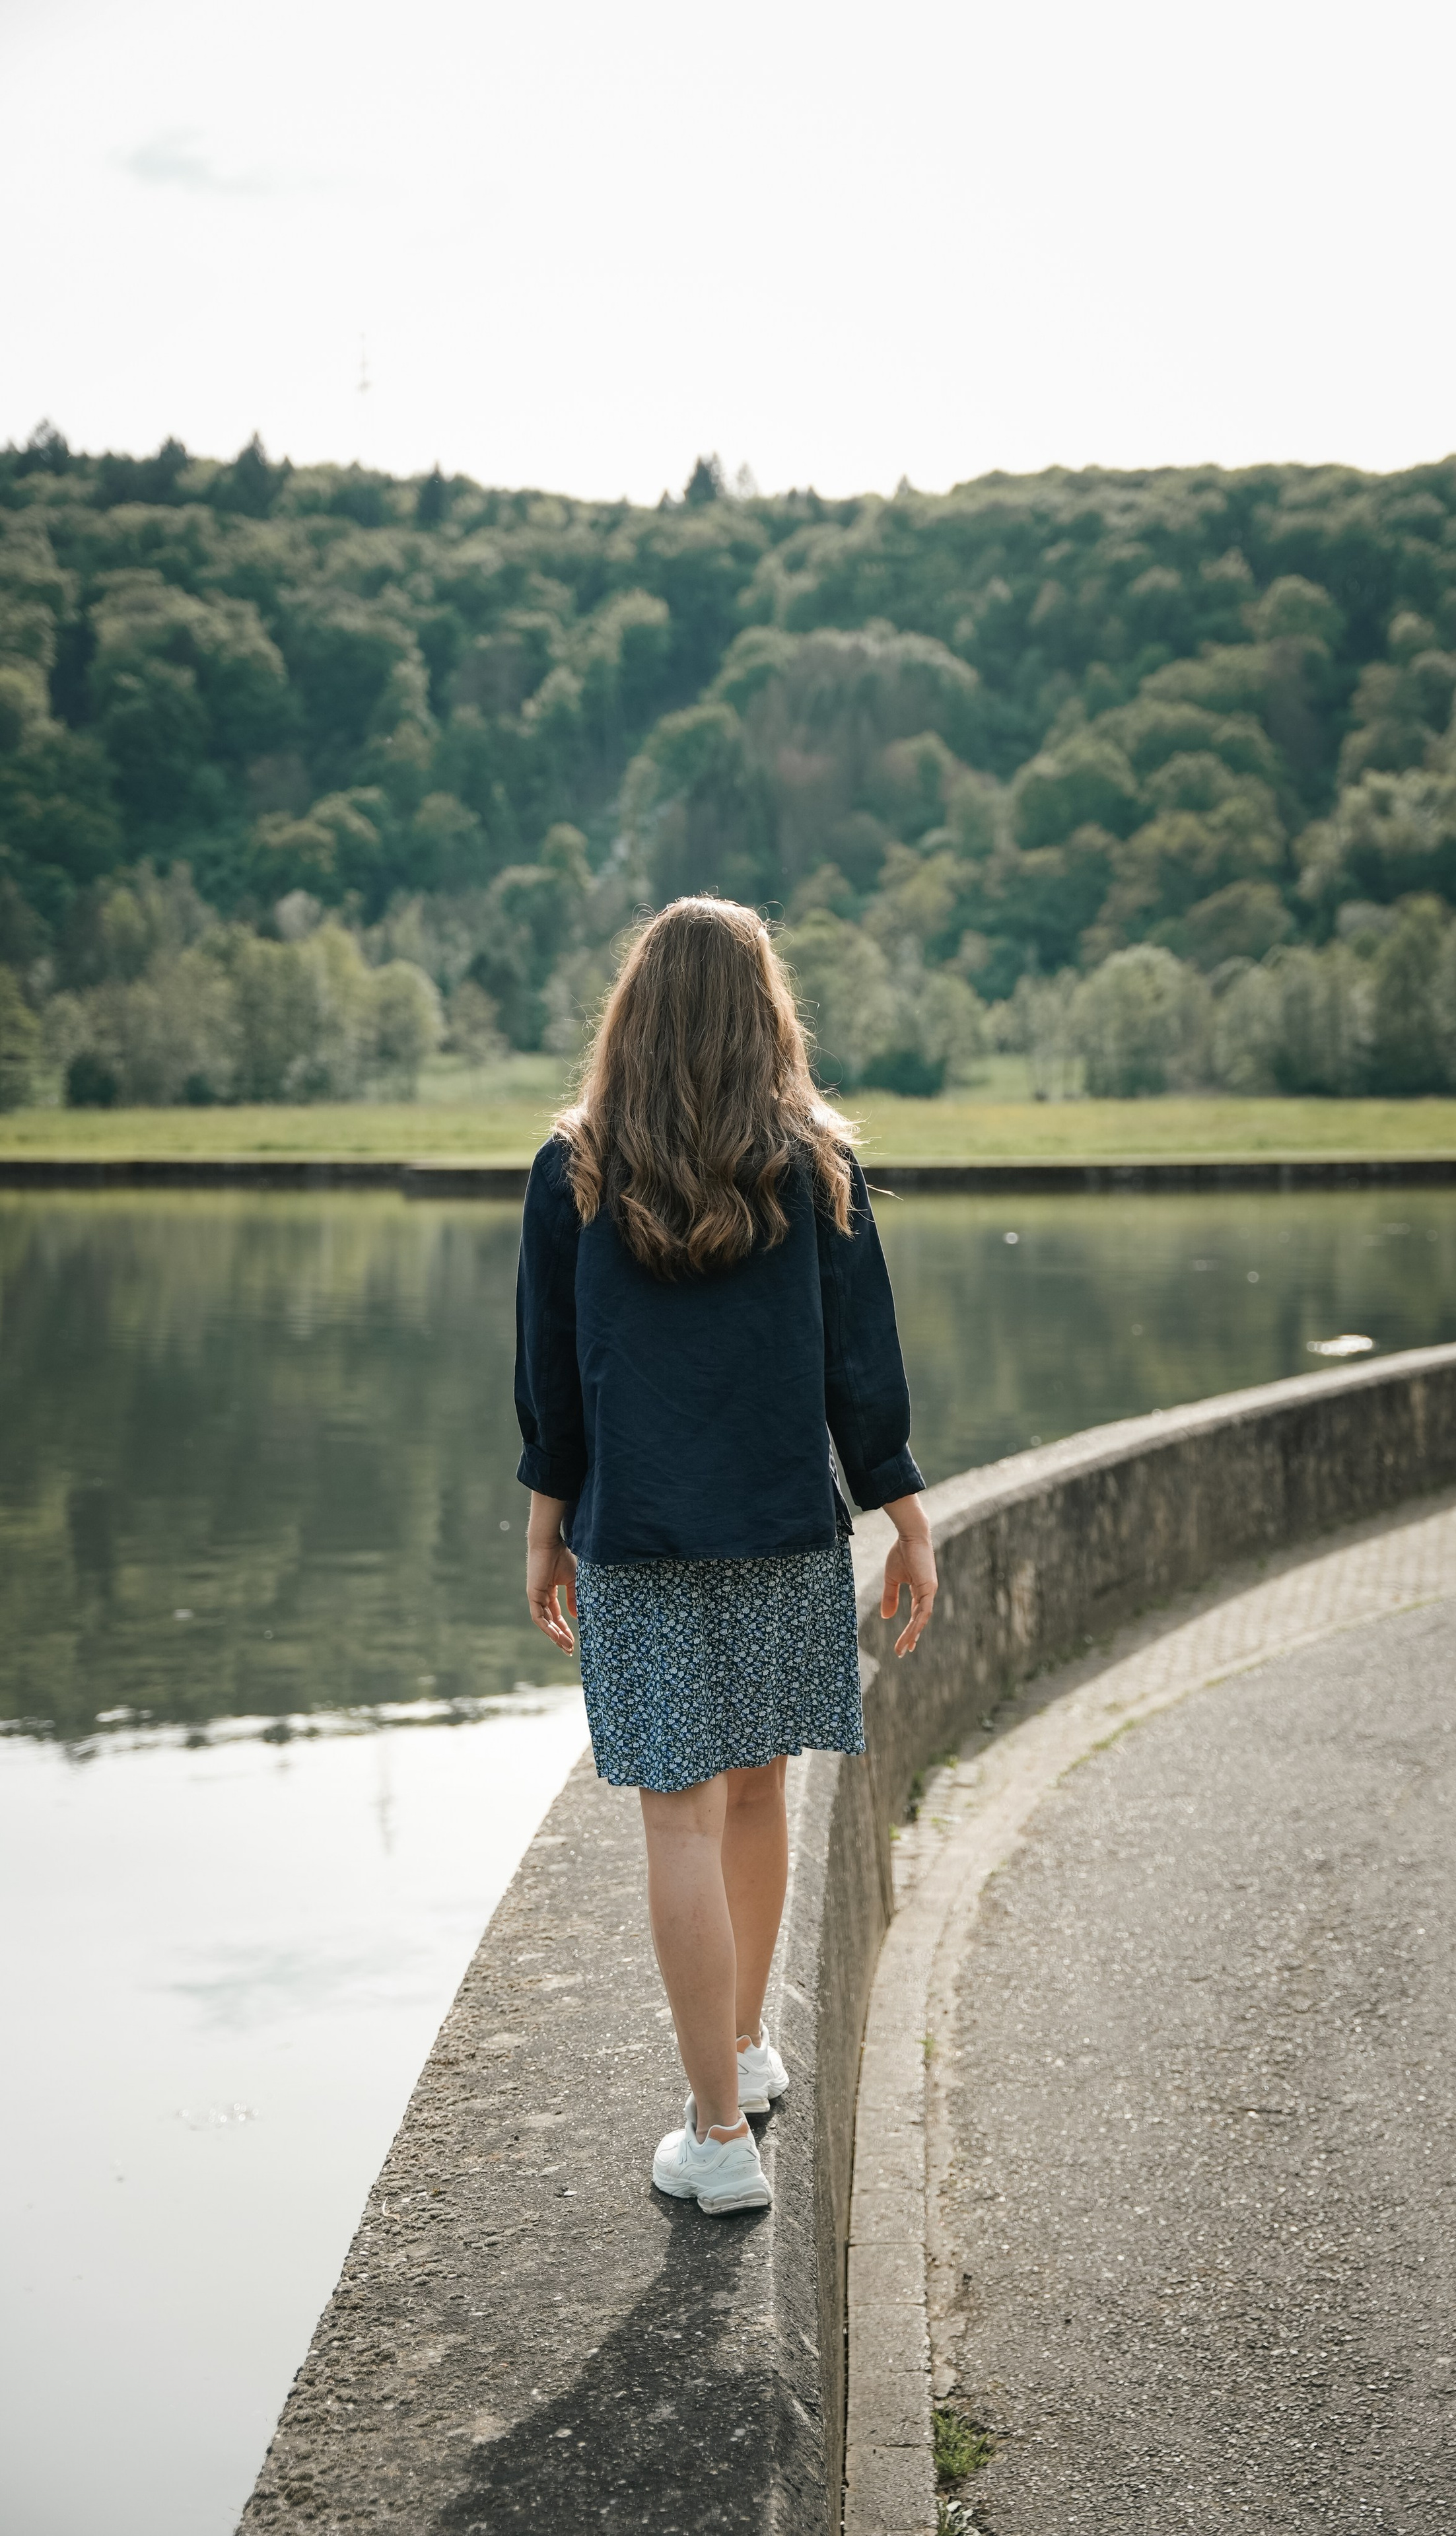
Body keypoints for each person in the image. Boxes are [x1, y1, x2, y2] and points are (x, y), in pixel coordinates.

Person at [514, 895, 937, 2216]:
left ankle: (716, 2131)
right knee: (755, 1795)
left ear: (630, 1014)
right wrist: (903, 1512)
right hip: (778, 1525)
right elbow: (858, 1367)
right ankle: (743, 2054)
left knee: (676, 1818)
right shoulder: (814, 1161)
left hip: (636, 1533)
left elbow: (550, 1376)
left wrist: (545, 1525)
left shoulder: (575, 1165)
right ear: (767, 1013)